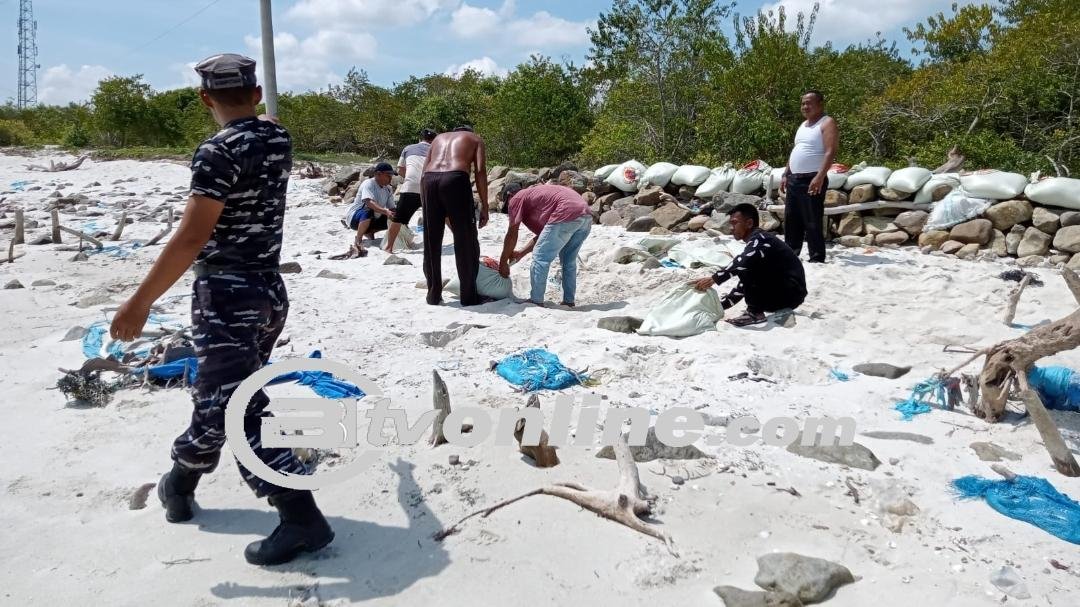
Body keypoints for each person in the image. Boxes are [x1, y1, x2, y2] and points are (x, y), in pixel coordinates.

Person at [108, 53, 333, 567]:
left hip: (228, 298)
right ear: (255, 94)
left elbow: (191, 235)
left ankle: (300, 517)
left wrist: (139, 302)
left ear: (205, 98)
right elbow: (268, 125)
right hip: (269, 293)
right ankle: (179, 483)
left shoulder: (216, 152)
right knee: (222, 396)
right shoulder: (278, 139)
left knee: (236, 408)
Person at [691, 203, 807, 327]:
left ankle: (754, 313)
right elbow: (745, 284)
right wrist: (721, 306)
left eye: (735, 223)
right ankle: (754, 311)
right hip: (785, 295)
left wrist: (714, 278)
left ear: (749, 223)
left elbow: (744, 264)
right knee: (746, 265)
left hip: (790, 294)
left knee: (745, 263)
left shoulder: (761, 240)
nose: (731, 228)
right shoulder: (757, 243)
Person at [420, 125, 489, 306]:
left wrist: (425, 203)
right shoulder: (475, 138)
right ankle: (468, 296)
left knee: (431, 239)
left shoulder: (437, 138)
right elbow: (480, 171)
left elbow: (423, 173)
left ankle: (433, 294)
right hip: (456, 179)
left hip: (430, 180)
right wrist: (485, 206)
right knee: (465, 238)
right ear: (469, 131)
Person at [499, 183, 591, 307]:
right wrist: (521, 253)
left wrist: (503, 262)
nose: (510, 210)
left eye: (507, 206)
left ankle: (536, 300)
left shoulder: (517, 198)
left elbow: (512, 233)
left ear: (509, 195)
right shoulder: (537, 198)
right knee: (568, 261)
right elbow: (544, 237)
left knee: (540, 258)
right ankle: (569, 301)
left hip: (566, 211)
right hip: (585, 215)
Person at [781, 90, 838, 264]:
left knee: (812, 219)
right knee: (792, 219)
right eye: (803, 103)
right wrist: (786, 173)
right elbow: (796, 151)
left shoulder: (827, 123)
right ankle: (791, 253)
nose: (805, 106)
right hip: (794, 179)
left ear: (820, 104)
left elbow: (830, 152)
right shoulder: (803, 125)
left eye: (809, 103)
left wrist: (820, 176)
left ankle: (817, 256)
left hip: (812, 178)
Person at [384, 128, 436, 253]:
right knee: (442, 216)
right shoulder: (436, 149)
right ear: (434, 140)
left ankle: (389, 247)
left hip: (410, 187)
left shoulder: (408, 148)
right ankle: (458, 241)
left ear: (420, 139)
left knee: (398, 219)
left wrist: (410, 178)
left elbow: (400, 169)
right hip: (429, 186)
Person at [341, 162, 398, 257]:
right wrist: (385, 211)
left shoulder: (388, 189)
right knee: (369, 211)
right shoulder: (369, 184)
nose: (390, 178)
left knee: (394, 218)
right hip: (355, 218)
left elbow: (391, 207)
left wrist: (397, 216)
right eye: (388, 175)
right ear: (378, 174)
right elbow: (368, 202)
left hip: (374, 217)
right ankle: (358, 239)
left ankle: (369, 232)